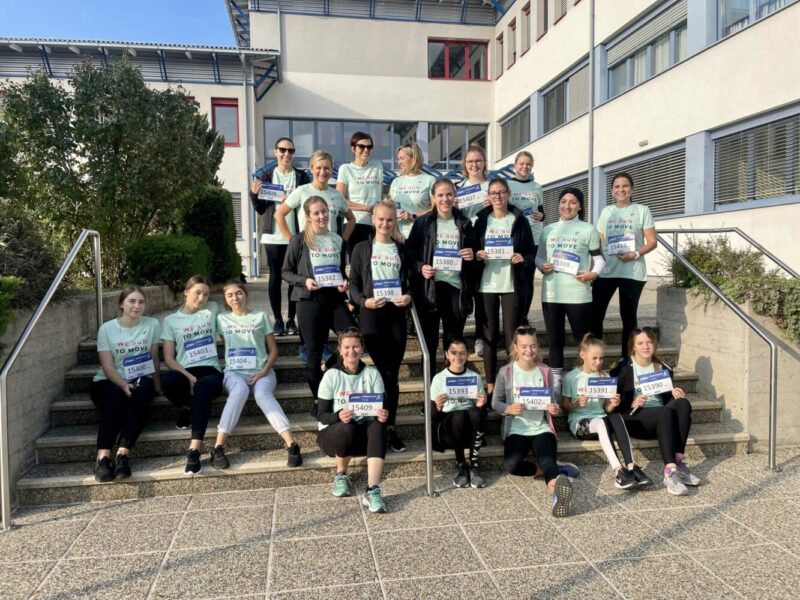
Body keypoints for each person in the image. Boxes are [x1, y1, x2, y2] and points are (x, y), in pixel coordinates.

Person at [214, 281, 303, 469]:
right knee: (239, 391)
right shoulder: (221, 319)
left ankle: (292, 444)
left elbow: (274, 351)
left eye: (239, 293)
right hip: (234, 373)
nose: (235, 298)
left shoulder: (260, 316)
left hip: (263, 372)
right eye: (230, 295)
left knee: (262, 394)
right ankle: (218, 447)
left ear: (245, 294)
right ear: (225, 299)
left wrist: (263, 371)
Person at [349, 198, 414, 453]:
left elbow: (411, 282)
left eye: (389, 220)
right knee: (382, 372)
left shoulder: (401, 249)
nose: (385, 224)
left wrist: (408, 297)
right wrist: (363, 301)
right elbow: (354, 283)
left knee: (392, 374)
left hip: (395, 315)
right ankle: (378, 426)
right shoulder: (362, 248)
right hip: (372, 315)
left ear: (395, 221)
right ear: (373, 220)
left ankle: (389, 428)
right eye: (381, 219)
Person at [277, 150, 353, 364]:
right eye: (318, 167)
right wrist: (293, 241)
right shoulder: (302, 191)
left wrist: (342, 241)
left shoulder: (336, 194)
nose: (323, 171)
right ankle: (309, 349)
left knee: (349, 332)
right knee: (312, 339)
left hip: (330, 258)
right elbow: (279, 214)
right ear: (311, 169)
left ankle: (328, 359)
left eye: (327, 168)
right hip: (308, 260)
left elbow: (351, 219)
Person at [282, 196, 356, 413]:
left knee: (355, 336)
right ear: (308, 217)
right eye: (316, 213)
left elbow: (340, 271)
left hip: (333, 299)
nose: (322, 216)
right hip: (309, 301)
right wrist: (304, 281)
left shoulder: (337, 240)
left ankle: (330, 363)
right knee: (313, 353)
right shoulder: (299, 240)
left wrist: (344, 283)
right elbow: (285, 272)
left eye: (324, 211)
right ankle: (319, 401)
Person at [492, 327, 573, 517]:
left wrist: (554, 408)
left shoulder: (545, 371)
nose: (529, 350)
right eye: (524, 346)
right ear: (515, 347)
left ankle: (557, 495)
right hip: (516, 430)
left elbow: (553, 402)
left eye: (533, 346)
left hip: (542, 429)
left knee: (547, 460)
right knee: (511, 465)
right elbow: (495, 402)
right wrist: (508, 409)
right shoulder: (506, 372)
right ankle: (550, 470)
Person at [610, 328, 699, 496]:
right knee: (663, 412)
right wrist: (630, 403)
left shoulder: (662, 368)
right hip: (636, 419)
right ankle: (670, 471)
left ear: (655, 345)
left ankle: (679, 462)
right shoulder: (622, 369)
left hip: (661, 420)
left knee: (683, 404)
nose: (646, 346)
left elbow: (667, 403)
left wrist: (674, 397)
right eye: (640, 343)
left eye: (649, 342)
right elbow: (611, 405)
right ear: (633, 347)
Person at [536, 187, 605, 401]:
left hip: (578, 293)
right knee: (554, 339)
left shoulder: (588, 229)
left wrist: (593, 274)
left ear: (580, 206)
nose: (567, 206)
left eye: (573, 202)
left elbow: (600, 259)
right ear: (558, 204)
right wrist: (541, 266)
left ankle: (584, 376)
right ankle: (556, 381)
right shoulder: (548, 230)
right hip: (552, 293)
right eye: (563, 201)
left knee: (582, 339)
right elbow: (539, 257)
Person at [406, 177, 476, 381]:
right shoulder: (422, 223)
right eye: (441, 195)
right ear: (433, 198)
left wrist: (471, 255)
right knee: (429, 344)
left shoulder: (465, 223)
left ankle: (452, 386)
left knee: (453, 343)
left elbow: (475, 254)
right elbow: (409, 255)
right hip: (430, 290)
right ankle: (430, 390)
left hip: (456, 290)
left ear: (455, 196)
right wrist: (421, 267)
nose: (445, 199)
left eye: (449, 194)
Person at [562, 334, 652, 490]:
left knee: (615, 415)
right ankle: (618, 471)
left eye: (601, 358)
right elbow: (564, 406)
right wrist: (575, 404)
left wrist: (612, 404)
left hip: (602, 420)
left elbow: (606, 409)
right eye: (594, 358)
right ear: (583, 355)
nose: (598, 362)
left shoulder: (605, 376)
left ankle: (632, 466)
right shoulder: (571, 377)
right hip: (581, 423)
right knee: (601, 422)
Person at [90, 286, 160, 482]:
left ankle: (123, 454)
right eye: (132, 301)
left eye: (141, 302)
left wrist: (157, 387)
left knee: (142, 392)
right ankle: (103, 457)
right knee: (115, 396)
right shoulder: (107, 329)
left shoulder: (152, 324)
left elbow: (154, 358)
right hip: (108, 381)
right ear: (121, 304)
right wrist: (122, 385)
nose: (137, 306)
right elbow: (107, 365)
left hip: (140, 377)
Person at [474, 178, 536, 396]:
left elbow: (531, 252)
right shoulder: (481, 221)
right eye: (493, 193)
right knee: (489, 336)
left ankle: (511, 384)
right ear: (488, 196)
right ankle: (491, 385)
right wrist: (477, 255)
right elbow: (471, 250)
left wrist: (523, 258)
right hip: (486, 284)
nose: (497, 196)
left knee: (511, 336)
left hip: (511, 284)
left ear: (508, 194)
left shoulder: (519, 220)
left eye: (501, 192)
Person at [317, 329, 389, 513]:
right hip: (334, 436)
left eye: (356, 346)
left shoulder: (372, 373)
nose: (351, 351)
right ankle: (341, 474)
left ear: (362, 348)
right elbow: (322, 415)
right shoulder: (331, 375)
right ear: (340, 350)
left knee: (379, 425)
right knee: (346, 427)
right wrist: (338, 415)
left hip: (363, 435)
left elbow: (382, 406)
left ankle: (373, 490)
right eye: (347, 347)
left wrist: (383, 414)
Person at [161, 275, 224, 474]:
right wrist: (188, 377)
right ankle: (184, 408)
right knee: (168, 380)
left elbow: (228, 333)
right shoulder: (170, 321)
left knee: (202, 387)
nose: (202, 298)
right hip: (185, 370)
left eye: (206, 294)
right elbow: (168, 358)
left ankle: (194, 449)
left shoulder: (212, 309)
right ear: (186, 292)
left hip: (210, 370)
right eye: (197, 293)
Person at [249, 136, 310, 337]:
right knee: (275, 277)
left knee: (295, 278)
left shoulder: (301, 177)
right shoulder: (266, 176)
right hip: (273, 237)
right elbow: (260, 209)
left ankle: (291, 320)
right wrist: (253, 195)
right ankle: (277, 320)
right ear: (275, 152)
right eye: (282, 150)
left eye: (290, 151)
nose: (286, 154)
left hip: (295, 236)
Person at [591, 172, 657, 357]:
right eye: (617, 187)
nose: (621, 190)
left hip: (632, 272)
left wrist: (634, 254)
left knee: (628, 318)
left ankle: (626, 361)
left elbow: (652, 241)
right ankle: (595, 358)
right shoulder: (606, 212)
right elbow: (598, 242)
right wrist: (592, 268)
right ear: (612, 191)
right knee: (595, 314)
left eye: (625, 186)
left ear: (632, 190)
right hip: (607, 271)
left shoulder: (642, 210)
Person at [429, 338, 488, 488]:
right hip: (448, 428)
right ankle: (461, 463)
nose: (458, 357)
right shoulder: (439, 379)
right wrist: (438, 406)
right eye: (453, 353)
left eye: (462, 353)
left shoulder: (474, 377)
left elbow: (480, 413)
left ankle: (474, 463)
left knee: (475, 412)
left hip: (470, 428)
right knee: (459, 415)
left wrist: (481, 405)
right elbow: (432, 417)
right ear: (447, 355)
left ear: (467, 355)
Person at [455, 144, 490, 356]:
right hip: (466, 243)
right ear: (465, 164)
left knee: (482, 293)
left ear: (484, 163)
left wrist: (491, 206)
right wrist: (454, 206)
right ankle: (458, 338)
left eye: (478, 160)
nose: (474, 165)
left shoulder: (492, 186)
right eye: (470, 161)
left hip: (487, 242)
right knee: (465, 289)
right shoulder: (458, 187)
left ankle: (480, 337)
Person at [506, 151, 545, 326]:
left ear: (532, 166)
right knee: (512, 279)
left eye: (528, 164)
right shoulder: (507, 185)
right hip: (513, 237)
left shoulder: (537, 187)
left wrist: (541, 216)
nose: (525, 166)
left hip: (533, 238)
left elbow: (542, 212)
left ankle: (523, 316)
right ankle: (511, 315)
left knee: (528, 280)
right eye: (521, 163)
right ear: (515, 165)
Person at [336, 132, 384, 257]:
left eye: (369, 147)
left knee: (374, 263)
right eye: (361, 147)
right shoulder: (345, 169)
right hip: (354, 223)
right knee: (357, 263)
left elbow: (380, 197)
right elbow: (339, 199)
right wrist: (367, 208)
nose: (366, 150)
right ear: (353, 149)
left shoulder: (377, 167)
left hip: (376, 224)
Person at [389, 142, 435, 239]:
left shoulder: (430, 180)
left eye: (402, 158)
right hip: (399, 237)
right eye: (398, 159)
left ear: (414, 158)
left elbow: (436, 209)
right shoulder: (396, 182)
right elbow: (389, 210)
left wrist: (413, 216)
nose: (399, 162)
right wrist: (396, 233)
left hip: (422, 235)